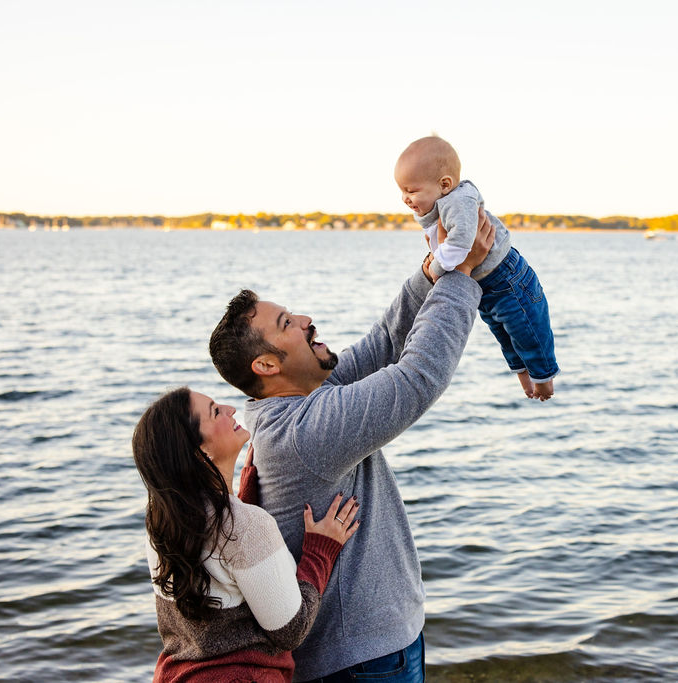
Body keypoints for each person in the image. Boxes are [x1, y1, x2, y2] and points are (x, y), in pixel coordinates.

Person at [207, 214, 495, 682]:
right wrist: (462, 278)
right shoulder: (305, 431)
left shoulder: (296, 405)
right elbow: (417, 378)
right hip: (360, 665)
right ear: (266, 364)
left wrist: (432, 273)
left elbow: (382, 344)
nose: (305, 320)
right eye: (287, 323)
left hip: (368, 654)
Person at [132, 387, 360, 683]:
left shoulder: (162, 521)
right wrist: (320, 551)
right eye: (215, 411)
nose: (230, 408)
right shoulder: (244, 525)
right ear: (200, 452)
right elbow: (291, 629)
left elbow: (221, 565)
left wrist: (241, 498)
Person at [395, 135, 559, 400]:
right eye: (402, 191)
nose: (405, 198)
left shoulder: (458, 202)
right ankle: (525, 379)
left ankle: (544, 378)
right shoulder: (440, 202)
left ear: (444, 184)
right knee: (503, 334)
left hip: (508, 278)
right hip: (485, 282)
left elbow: (460, 245)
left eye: (411, 191)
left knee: (526, 328)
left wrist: (435, 269)